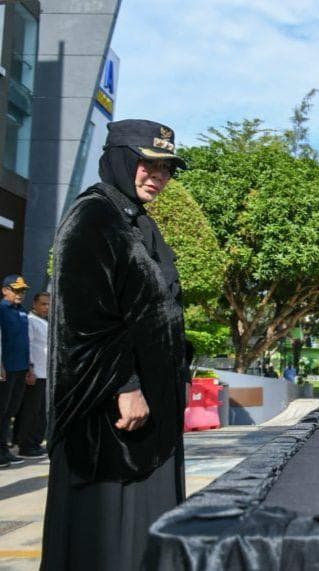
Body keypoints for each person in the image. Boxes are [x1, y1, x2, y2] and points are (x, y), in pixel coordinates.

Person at [42, 119, 189, 570]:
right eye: (148, 163)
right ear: (120, 160)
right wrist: (125, 386)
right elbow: (85, 316)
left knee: (143, 532)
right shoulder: (94, 215)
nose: (158, 176)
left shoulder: (136, 220)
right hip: (110, 418)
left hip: (151, 409)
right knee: (106, 535)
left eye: (166, 168)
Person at [0, 275, 32, 467]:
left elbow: (25, 341)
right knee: (2, 410)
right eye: (16, 290)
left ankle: (4, 449)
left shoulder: (21, 311)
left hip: (20, 367)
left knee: (10, 410)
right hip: (6, 369)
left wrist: (28, 366)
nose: (20, 294)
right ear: (5, 290)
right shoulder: (1, 310)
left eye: (23, 290)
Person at [14, 292, 50, 458]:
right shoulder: (30, 320)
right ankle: (26, 446)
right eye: (43, 304)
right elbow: (26, 345)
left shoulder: (45, 321)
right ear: (34, 304)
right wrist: (30, 369)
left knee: (40, 411)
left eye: (48, 304)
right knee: (30, 411)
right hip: (35, 373)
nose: (46, 307)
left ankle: (35, 442)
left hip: (45, 373)